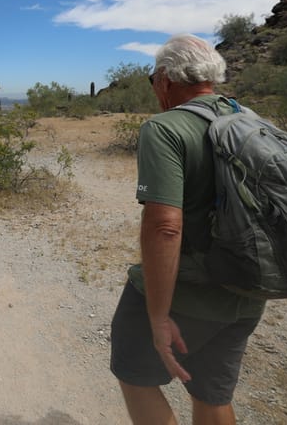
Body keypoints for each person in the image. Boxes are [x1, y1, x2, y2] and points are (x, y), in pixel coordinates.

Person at [109, 34, 266, 425]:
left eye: (152, 81)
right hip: (247, 289)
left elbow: (164, 227)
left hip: (186, 295)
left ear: (164, 79)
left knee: (136, 377)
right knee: (211, 394)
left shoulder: (164, 128)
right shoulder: (252, 121)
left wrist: (159, 316)